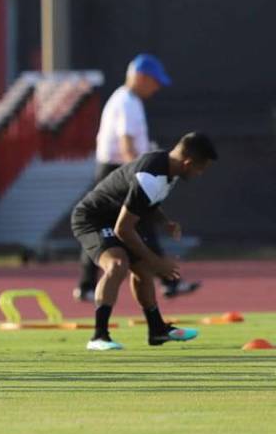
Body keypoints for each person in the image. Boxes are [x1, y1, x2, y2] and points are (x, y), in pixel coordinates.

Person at [69, 132, 216, 351]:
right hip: (93, 219)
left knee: (143, 271)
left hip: (116, 216)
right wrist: (156, 262)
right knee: (118, 265)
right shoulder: (151, 177)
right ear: (187, 163)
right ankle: (99, 337)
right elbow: (123, 229)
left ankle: (157, 330)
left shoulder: (169, 170)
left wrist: (165, 221)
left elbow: (145, 202)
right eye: (200, 168)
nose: (200, 174)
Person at [75, 54, 199, 303]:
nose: (157, 88)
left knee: (130, 223)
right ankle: (167, 280)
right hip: (118, 170)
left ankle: (89, 284)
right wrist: (141, 174)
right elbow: (127, 144)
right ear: (141, 78)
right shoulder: (127, 102)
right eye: (154, 82)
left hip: (119, 169)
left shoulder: (127, 100)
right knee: (133, 221)